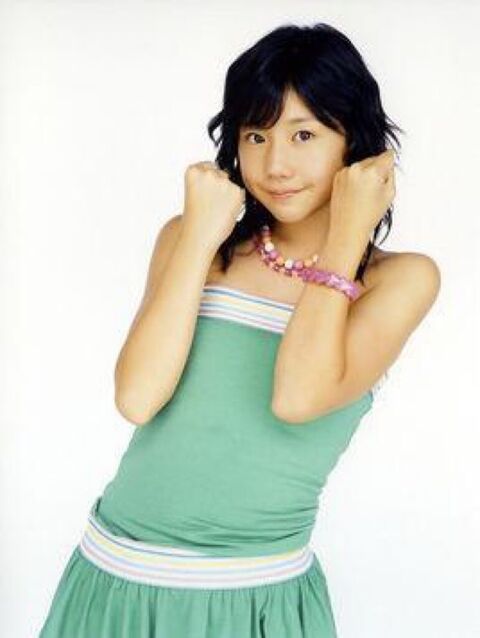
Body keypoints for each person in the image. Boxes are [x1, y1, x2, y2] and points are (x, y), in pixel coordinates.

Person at [39, 22, 441, 637]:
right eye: (256, 135)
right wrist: (198, 236)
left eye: (303, 134)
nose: (275, 164)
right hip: (112, 583)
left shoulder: (400, 280)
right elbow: (137, 398)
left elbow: (297, 397)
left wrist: (347, 235)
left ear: (355, 144)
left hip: (253, 603)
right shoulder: (195, 242)